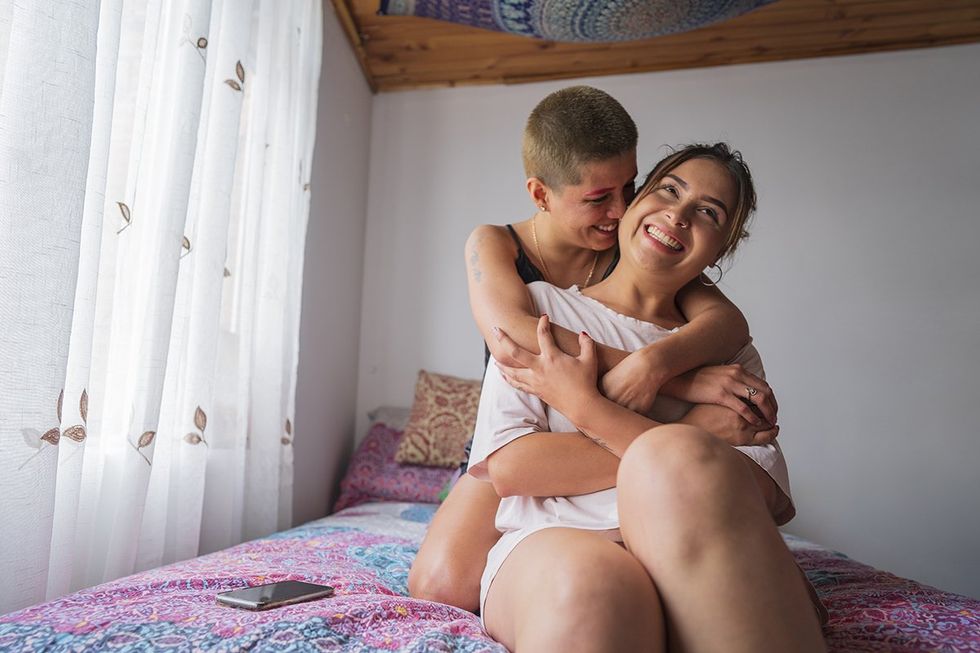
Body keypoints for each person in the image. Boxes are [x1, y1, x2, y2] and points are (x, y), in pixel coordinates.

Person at [408, 87, 778, 612]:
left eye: (630, 185)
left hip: (625, 445)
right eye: (598, 197)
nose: (620, 208)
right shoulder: (498, 244)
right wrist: (678, 379)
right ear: (541, 195)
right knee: (441, 586)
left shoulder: (632, 245)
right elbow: (513, 334)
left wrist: (658, 360)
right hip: (518, 430)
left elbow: (728, 321)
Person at [470, 143, 825, 652]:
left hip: (693, 551)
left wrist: (588, 409)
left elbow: (758, 491)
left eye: (707, 212)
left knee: (683, 460)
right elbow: (514, 468)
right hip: (557, 544)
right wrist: (696, 431)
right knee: (595, 588)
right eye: (669, 191)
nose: (678, 216)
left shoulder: (726, 349)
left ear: (722, 248)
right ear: (634, 203)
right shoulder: (543, 311)